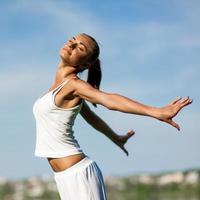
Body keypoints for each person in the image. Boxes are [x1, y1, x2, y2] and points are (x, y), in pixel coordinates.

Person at [32, 33, 192, 200]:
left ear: (86, 64)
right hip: (64, 178)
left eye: (80, 47)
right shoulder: (58, 88)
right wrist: (116, 138)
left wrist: (156, 112)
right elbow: (92, 118)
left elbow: (109, 100)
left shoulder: (74, 85)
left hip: (79, 176)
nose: (71, 45)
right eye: (72, 41)